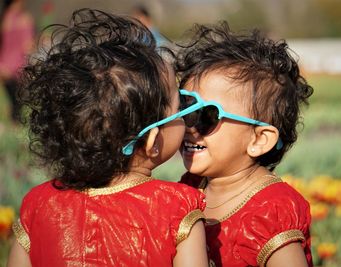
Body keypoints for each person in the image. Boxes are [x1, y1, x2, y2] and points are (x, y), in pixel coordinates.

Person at [7, 9, 208, 267]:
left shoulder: (38, 205)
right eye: (179, 106)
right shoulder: (176, 207)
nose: (185, 114)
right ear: (152, 140)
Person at [176, 22, 314, 267]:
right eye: (184, 110)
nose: (190, 127)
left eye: (207, 116)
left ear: (259, 139)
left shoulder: (271, 210)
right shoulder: (191, 186)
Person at [0, 0, 34, 123]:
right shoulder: (24, 19)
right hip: (18, 67)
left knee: (12, 102)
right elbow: (27, 46)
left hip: (3, 66)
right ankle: (15, 128)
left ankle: (12, 126)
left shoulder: (5, 17)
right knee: (19, 104)